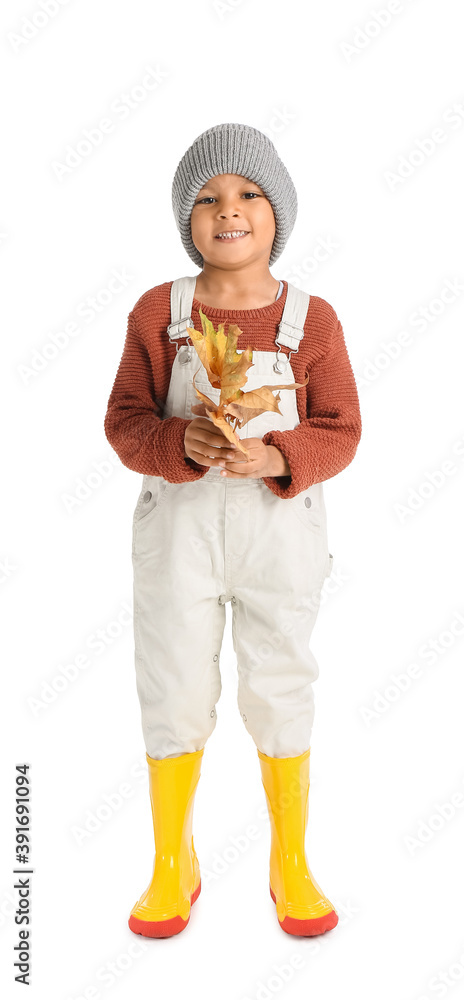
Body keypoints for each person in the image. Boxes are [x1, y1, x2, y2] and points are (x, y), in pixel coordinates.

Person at [103, 122, 362, 940]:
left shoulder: (313, 321)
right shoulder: (161, 313)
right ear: (187, 220)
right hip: (177, 539)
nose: (229, 209)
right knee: (174, 687)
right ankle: (171, 860)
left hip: (279, 535)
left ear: (279, 211)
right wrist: (177, 442)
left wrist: (280, 454)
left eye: (249, 193)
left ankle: (291, 860)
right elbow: (124, 421)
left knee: (280, 686)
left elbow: (343, 430)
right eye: (208, 197)